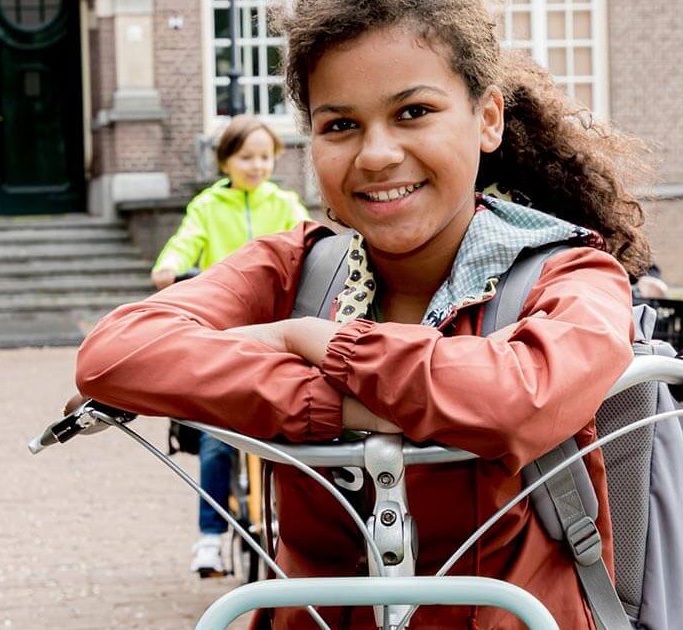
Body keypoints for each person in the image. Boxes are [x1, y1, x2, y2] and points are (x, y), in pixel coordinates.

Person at [71, 0, 653, 626]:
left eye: (414, 112)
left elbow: (522, 395)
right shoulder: (294, 268)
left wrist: (319, 342)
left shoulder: (571, 273)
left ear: (487, 119)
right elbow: (118, 352)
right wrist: (338, 406)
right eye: (340, 125)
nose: (375, 154)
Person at [149, 113, 311, 576]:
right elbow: (184, 246)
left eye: (265, 157)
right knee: (218, 443)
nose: (257, 166)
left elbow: (308, 240)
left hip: (276, 334)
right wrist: (171, 266)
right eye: (247, 157)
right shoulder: (206, 207)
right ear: (226, 161)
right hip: (224, 333)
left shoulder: (284, 203)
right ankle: (210, 536)